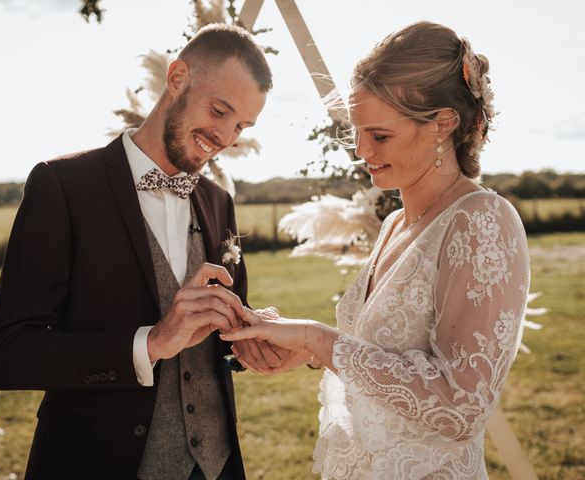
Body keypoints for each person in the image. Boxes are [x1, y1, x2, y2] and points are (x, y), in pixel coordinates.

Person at [221, 21, 530, 479]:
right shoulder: (394, 224)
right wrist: (306, 351)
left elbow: (461, 408)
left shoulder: (481, 221)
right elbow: (375, 357)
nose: (362, 150)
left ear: (444, 125)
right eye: (357, 132)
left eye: (380, 136)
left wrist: (316, 339)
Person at [0, 23, 281, 480]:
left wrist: (247, 339)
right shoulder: (62, 186)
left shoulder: (219, 200)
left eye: (241, 124)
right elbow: (8, 354)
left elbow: (218, 327)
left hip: (218, 466)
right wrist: (151, 343)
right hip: (98, 461)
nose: (226, 136)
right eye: (220, 110)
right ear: (177, 76)